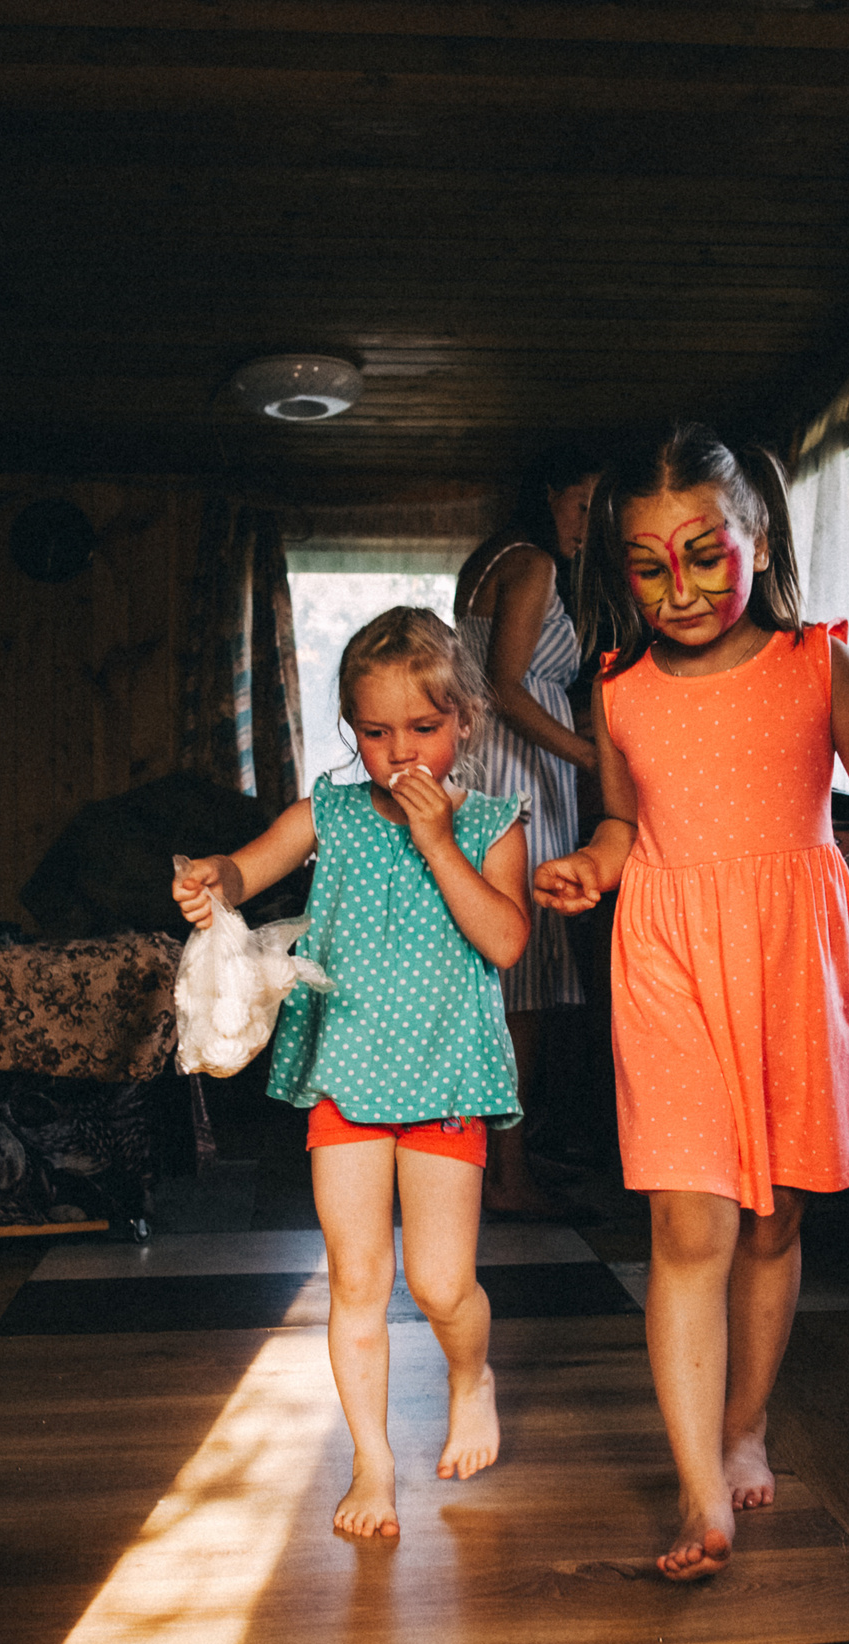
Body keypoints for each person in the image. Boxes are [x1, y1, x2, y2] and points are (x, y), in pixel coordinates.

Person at [535, 423, 849, 1581]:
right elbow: (623, 825)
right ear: (619, 569)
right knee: (686, 1222)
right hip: (665, 957)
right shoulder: (615, 691)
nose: (679, 588)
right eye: (647, 564)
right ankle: (699, 1493)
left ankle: (745, 1420)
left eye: (705, 555)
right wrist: (593, 870)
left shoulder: (819, 666)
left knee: (773, 1222)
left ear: (756, 540)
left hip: (793, 963)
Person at [173, 607, 532, 1541]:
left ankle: (470, 1375)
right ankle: (372, 1459)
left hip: (448, 1077)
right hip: (349, 1078)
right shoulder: (327, 813)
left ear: (465, 724)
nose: (398, 750)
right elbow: (247, 873)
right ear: (350, 729)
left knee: (445, 1284)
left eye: (424, 727)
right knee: (356, 1278)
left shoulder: (492, 822)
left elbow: (505, 937)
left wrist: (440, 842)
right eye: (375, 732)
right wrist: (212, 875)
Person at [452, 445, 604, 1220]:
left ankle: (496, 1158)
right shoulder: (534, 562)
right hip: (521, 777)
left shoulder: (485, 559)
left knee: (499, 979)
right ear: (548, 492)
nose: (590, 522)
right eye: (582, 504)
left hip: (486, 771)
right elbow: (510, 688)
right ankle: (509, 1174)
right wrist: (588, 753)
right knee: (528, 982)